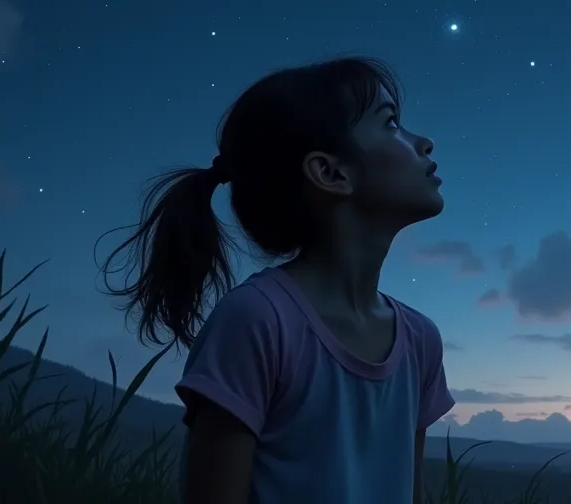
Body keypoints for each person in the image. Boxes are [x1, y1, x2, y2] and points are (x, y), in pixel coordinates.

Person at [101, 56, 454, 504]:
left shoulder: (420, 340)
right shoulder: (258, 322)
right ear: (330, 173)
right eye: (390, 124)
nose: (423, 142)